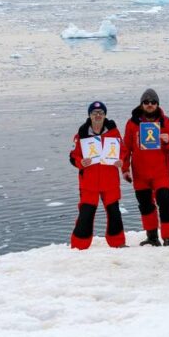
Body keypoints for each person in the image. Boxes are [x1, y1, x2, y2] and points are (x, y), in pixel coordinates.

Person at [121, 88, 169, 246]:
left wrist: (168, 140)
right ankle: (152, 236)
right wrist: (125, 169)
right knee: (145, 206)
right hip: (140, 173)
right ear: (141, 105)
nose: (150, 105)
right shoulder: (132, 123)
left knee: (165, 202)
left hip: (161, 172)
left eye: (153, 102)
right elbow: (126, 147)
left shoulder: (166, 122)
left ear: (157, 104)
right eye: (146, 102)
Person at [69, 101, 126, 250]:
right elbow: (73, 157)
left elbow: (123, 151)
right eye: (95, 113)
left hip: (110, 180)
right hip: (89, 182)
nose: (98, 115)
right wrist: (81, 162)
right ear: (89, 115)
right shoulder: (81, 134)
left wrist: (121, 161)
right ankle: (79, 246)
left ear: (105, 115)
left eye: (101, 113)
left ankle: (117, 243)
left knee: (114, 213)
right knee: (86, 214)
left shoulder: (114, 132)